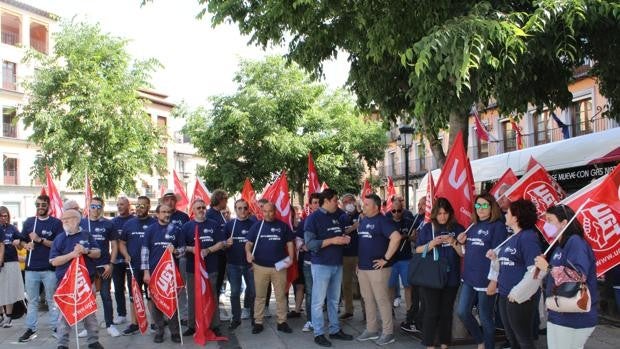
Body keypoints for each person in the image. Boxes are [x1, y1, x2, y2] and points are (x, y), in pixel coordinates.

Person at [534, 204, 597, 349]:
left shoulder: (575, 242)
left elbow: (579, 276)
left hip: (574, 316)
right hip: (558, 312)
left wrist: (549, 267)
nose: (546, 224)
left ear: (563, 223)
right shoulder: (559, 245)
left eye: (550, 220)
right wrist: (542, 267)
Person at [456, 194, 508, 349]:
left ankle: (488, 346)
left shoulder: (498, 226)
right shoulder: (473, 225)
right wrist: (462, 242)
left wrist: (494, 280)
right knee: (462, 312)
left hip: (486, 280)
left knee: (485, 317)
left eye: (484, 205)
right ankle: (480, 341)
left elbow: (498, 256)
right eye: (478, 205)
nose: (481, 209)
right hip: (469, 277)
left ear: (492, 207)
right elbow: (467, 252)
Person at [488, 199, 541, 349]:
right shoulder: (512, 237)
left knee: (523, 339)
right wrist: (495, 259)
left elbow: (536, 270)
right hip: (505, 294)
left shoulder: (528, 238)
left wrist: (518, 292)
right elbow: (505, 265)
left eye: (508, 212)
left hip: (520, 297)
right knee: (512, 338)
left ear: (516, 217)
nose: (505, 214)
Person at [305, 189, 354, 347]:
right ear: (325, 201)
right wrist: (333, 240)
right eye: (335, 200)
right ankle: (318, 333)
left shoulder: (337, 215)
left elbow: (345, 225)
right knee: (318, 302)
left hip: (337, 264)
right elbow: (310, 244)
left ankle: (334, 329)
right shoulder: (313, 219)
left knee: (334, 301)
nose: (337, 203)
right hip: (321, 265)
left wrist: (344, 238)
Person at [50, 209, 104, 349]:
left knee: (89, 312)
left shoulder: (87, 235)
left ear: (76, 220)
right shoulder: (59, 238)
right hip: (65, 284)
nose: (64, 222)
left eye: (67, 219)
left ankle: (93, 341)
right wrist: (72, 255)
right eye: (63, 219)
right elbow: (54, 261)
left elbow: (98, 253)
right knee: (64, 315)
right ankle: (62, 344)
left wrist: (86, 251)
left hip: (85, 283)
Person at [415, 197, 465, 349]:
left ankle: (444, 345)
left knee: (446, 313)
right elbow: (417, 250)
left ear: (450, 213)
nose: (442, 216)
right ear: (435, 214)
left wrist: (453, 242)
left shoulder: (458, 228)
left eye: (445, 213)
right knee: (431, 312)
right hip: (431, 278)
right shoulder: (427, 228)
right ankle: (429, 345)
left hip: (451, 277)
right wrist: (431, 244)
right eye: (440, 213)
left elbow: (463, 253)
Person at [356, 194, 401, 345]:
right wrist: (358, 263)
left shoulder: (383, 221)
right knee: (367, 299)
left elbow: (396, 237)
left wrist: (386, 259)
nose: (364, 206)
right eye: (364, 204)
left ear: (376, 207)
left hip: (378, 270)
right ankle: (371, 330)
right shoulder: (363, 221)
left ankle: (388, 333)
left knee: (382, 300)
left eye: (367, 204)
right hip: (363, 268)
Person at [18, 194, 63, 342]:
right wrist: (26, 244)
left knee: (52, 300)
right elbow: (20, 241)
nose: (40, 207)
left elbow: (58, 245)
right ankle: (31, 329)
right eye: (38, 205)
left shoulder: (56, 223)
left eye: (43, 205)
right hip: (31, 269)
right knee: (32, 301)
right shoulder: (30, 222)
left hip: (49, 268)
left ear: (48, 206)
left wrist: (40, 240)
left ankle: (56, 327)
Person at [245, 202, 295, 334]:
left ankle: (282, 322)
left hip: (280, 266)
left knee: (281, 296)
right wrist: (248, 253)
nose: (267, 214)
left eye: (270, 211)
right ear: (262, 212)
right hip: (260, 267)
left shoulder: (283, 226)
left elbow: (290, 243)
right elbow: (248, 243)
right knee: (260, 296)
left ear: (275, 211)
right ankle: (258, 322)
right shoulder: (257, 226)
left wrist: (291, 258)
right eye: (265, 211)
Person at [141, 204, 185, 343]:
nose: (167, 214)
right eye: (164, 212)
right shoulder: (150, 230)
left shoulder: (177, 230)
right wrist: (146, 272)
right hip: (154, 274)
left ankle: (175, 332)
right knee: (155, 305)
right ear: (157, 214)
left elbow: (183, 249)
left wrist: (176, 251)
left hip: (170, 274)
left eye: (169, 212)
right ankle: (159, 331)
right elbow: (145, 252)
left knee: (172, 303)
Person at [181, 199, 225, 336]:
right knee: (193, 297)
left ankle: (214, 324)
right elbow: (181, 247)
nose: (201, 210)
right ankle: (192, 325)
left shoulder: (213, 224)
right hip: (192, 269)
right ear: (193, 211)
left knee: (212, 295)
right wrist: (192, 248)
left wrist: (208, 250)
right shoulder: (187, 226)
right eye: (198, 208)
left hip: (210, 268)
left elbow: (221, 243)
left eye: (203, 207)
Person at [80, 197, 121, 337]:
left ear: (102, 208)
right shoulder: (82, 223)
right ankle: (88, 326)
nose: (95, 209)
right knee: (87, 296)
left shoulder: (108, 224)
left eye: (98, 207)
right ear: (88, 207)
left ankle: (110, 324)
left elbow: (115, 245)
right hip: (86, 266)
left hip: (104, 265)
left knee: (105, 295)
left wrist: (111, 264)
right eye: (93, 206)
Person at [119, 196, 156, 335]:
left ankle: (154, 323)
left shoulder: (154, 223)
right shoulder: (128, 224)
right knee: (134, 296)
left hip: (149, 267)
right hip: (133, 266)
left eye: (143, 206)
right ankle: (134, 324)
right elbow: (121, 243)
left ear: (148, 207)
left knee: (151, 296)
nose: (139, 208)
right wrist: (126, 255)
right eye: (138, 205)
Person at [225, 199, 257, 330]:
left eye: (245, 208)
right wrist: (226, 243)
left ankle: (255, 318)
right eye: (239, 208)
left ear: (248, 209)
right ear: (235, 209)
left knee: (254, 292)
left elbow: (259, 244)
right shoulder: (229, 225)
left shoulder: (254, 224)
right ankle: (236, 318)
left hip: (250, 265)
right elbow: (222, 244)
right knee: (234, 293)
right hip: (233, 264)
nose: (242, 210)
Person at [161, 190, 190, 324]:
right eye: (167, 199)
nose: (170, 202)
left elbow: (187, 237)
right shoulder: (160, 216)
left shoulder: (184, 217)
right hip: (163, 259)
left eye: (172, 199)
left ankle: (183, 315)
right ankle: (167, 314)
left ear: (176, 201)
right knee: (165, 287)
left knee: (181, 286)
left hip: (180, 257)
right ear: (163, 202)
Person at [401, 196, 426, 333]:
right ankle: (412, 319)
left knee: (421, 294)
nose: (420, 206)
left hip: (425, 261)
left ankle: (416, 320)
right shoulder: (417, 218)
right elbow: (415, 236)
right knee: (415, 291)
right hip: (417, 258)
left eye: (423, 204)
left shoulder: (429, 220)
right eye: (419, 204)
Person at [297, 192, 320, 332]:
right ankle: (311, 321)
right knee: (310, 293)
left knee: (327, 294)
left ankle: (329, 321)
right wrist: (302, 245)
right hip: (308, 262)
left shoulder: (327, 219)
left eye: (319, 202)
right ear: (310, 205)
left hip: (325, 263)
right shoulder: (304, 221)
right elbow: (298, 239)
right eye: (314, 202)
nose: (317, 205)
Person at [388, 198, 415, 317]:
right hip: (392, 259)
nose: (396, 213)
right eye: (393, 211)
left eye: (399, 211)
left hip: (405, 258)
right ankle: (389, 311)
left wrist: (410, 237)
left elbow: (415, 237)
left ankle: (409, 311)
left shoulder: (408, 221)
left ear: (402, 210)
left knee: (408, 286)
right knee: (390, 286)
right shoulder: (387, 222)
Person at [0, 206, 25, 328]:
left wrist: (18, 240)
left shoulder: (12, 228)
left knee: (9, 289)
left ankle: (8, 316)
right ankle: (1, 315)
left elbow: (22, 238)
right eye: (1, 216)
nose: (3, 218)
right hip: (1, 262)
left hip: (11, 261)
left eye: (5, 216)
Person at [111, 197, 134, 326]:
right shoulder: (113, 222)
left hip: (131, 259)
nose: (119, 207)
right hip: (117, 260)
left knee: (133, 288)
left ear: (128, 205)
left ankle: (136, 315)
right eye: (118, 204)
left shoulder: (133, 220)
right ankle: (121, 314)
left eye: (122, 204)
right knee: (118, 288)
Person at [339, 193, 361, 321]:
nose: (348, 204)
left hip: (359, 255)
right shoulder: (342, 218)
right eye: (345, 202)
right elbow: (341, 233)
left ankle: (366, 311)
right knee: (346, 284)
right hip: (346, 255)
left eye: (350, 201)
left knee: (362, 284)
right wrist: (353, 228)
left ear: (354, 202)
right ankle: (348, 310)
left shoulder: (361, 216)